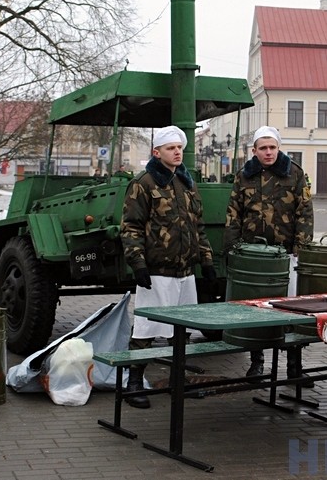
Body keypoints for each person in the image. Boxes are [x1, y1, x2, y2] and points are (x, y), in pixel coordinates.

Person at [120, 126, 216, 408]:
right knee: (146, 329)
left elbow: (198, 226)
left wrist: (207, 261)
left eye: (179, 147)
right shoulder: (144, 183)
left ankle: (178, 381)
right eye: (170, 148)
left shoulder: (187, 183)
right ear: (157, 152)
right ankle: (133, 382)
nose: (176, 152)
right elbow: (131, 227)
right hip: (157, 271)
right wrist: (138, 263)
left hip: (185, 272)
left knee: (181, 330)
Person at [224, 126, 314, 381]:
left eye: (272, 147)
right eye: (263, 148)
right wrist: (231, 250)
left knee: (292, 310)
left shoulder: (294, 174)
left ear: (278, 148)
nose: (268, 152)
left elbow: (305, 213)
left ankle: (295, 367)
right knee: (256, 311)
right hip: (254, 257)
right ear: (254, 151)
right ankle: (257, 362)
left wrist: (300, 250)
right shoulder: (244, 176)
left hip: (285, 255)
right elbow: (233, 215)